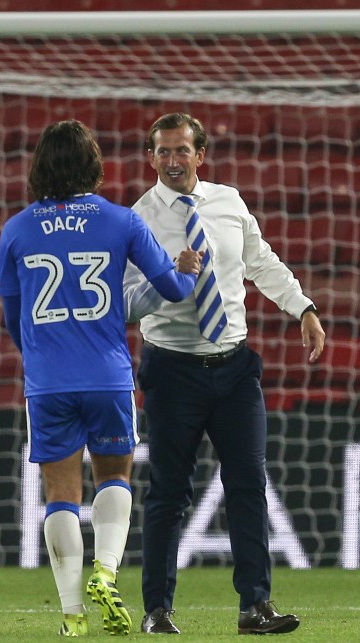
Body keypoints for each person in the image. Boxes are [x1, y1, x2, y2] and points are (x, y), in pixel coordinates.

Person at [123, 113, 326, 635]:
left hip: (235, 367)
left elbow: (261, 262)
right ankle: (157, 611)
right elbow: (121, 302)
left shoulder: (229, 202)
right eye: (163, 151)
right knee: (168, 492)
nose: (172, 160)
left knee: (247, 485)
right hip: (171, 370)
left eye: (182, 150)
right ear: (151, 159)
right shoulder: (136, 219)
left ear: (200, 155)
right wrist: (171, 274)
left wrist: (302, 307)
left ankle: (254, 606)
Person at [0, 120, 202, 637]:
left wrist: (42, 357)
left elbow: (13, 315)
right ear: (94, 166)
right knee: (115, 477)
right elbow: (172, 291)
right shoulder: (119, 221)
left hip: (48, 382)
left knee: (59, 494)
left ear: (40, 166)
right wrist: (188, 269)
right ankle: (106, 572)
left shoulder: (17, 229)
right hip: (108, 377)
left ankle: (71, 614)